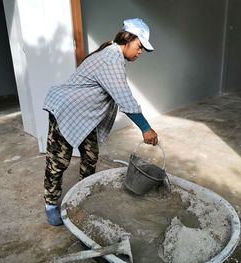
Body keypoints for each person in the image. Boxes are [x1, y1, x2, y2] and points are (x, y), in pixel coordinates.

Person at [42, 18, 158, 225]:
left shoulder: (112, 54)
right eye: (139, 47)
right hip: (66, 112)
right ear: (127, 38)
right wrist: (146, 128)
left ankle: (83, 194)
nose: (140, 53)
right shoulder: (111, 58)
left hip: (84, 117)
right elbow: (124, 98)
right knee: (58, 161)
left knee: (90, 156)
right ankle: (51, 203)